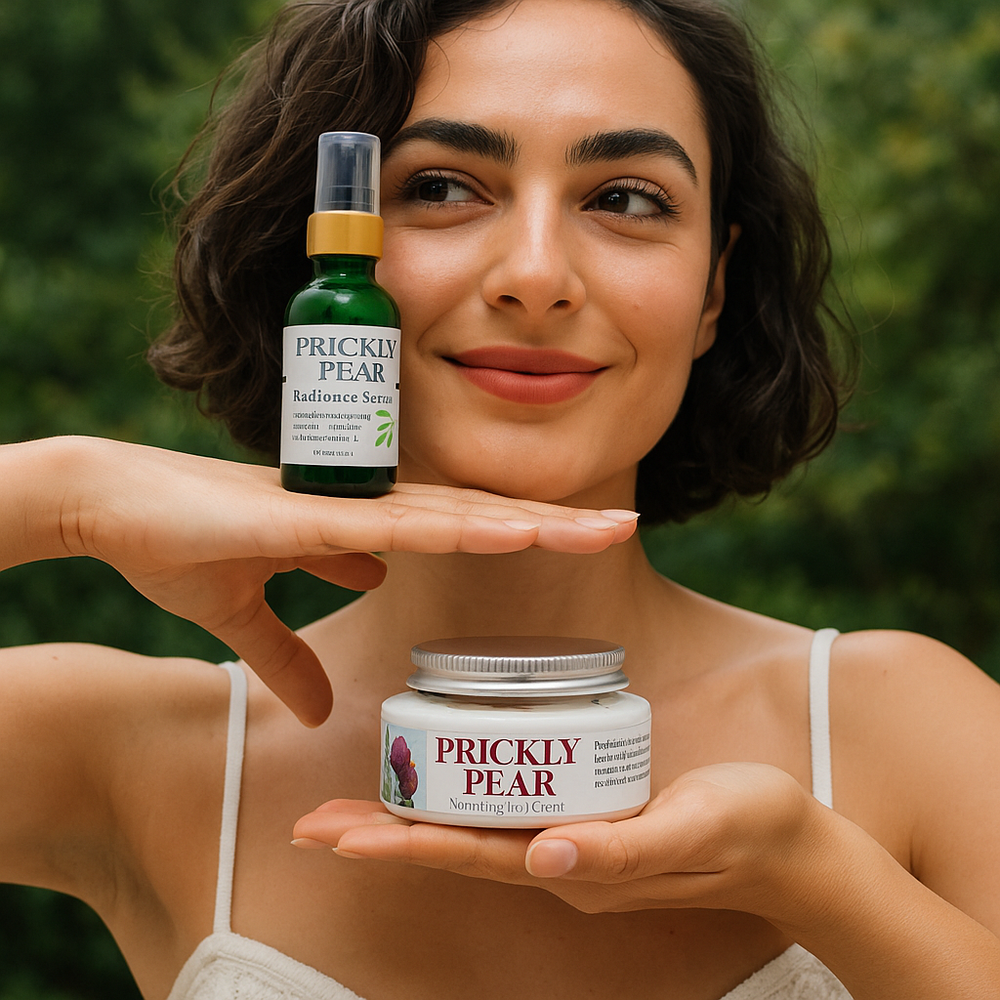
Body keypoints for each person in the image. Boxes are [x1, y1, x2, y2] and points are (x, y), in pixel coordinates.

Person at [2, 1, 999, 998]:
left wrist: (822, 881)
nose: (535, 276)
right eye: (440, 186)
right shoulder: (139, 756)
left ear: (711, 292)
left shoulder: (912, 729)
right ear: (328, 252)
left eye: (627, 198)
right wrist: (63, 493)